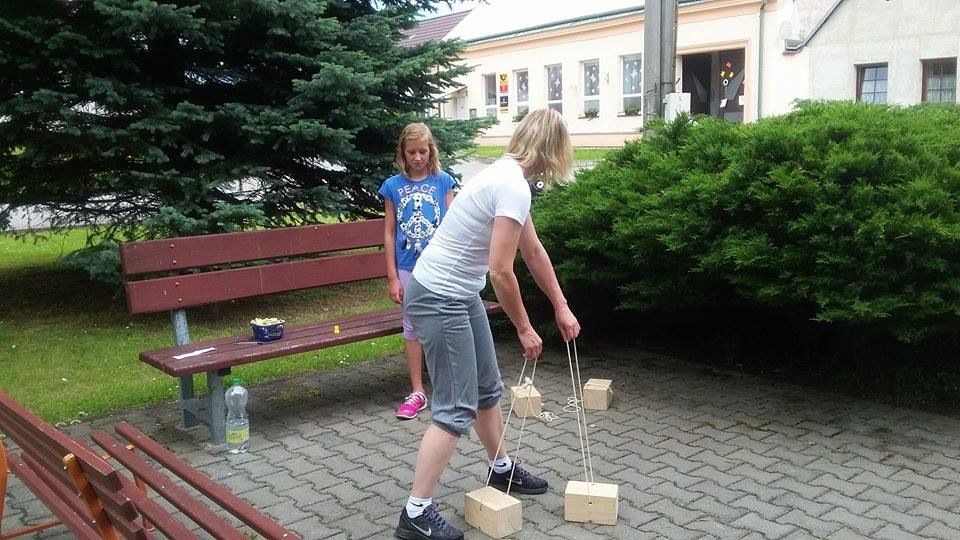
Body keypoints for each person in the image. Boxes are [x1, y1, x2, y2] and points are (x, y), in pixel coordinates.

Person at [394, 109, 581, 540]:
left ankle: (501, 468)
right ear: (552, 150)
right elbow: (500, 271)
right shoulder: (511, 185)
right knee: (455, 408)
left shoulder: (509, 179)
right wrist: (524, 327)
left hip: (459, 294)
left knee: (486, 388)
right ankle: (415, 512)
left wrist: (561, 305)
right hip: (439, 296)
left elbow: (533, 251)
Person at [379, 123, 456, 420]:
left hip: (440, 266)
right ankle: (417, 391)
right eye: (411, 152)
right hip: (407, 267)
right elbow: (389, 233)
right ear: (403, 153)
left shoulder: (443, 181)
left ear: (431, 150)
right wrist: (392, 276)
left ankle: (449, 387)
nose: (418, 157)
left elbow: (454, 224)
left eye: (422, 151)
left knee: (446, 321)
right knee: (411, 326)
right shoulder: (392, 186)